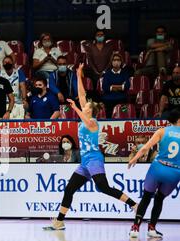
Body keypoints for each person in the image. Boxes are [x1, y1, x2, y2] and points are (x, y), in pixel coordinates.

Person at [43, 63, 138, 231]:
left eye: (85, 106)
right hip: (85, 162)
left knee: (103, 187)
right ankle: (59, 221)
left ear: (90, 111)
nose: (82, 105)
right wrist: (79, 76)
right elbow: (81, 94)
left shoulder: (93, 122)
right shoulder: (85, 116)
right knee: (69, 189)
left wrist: (74, 109)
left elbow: (85, 119)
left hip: (94, 158)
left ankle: (133, 205)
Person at [128, 109, 180, 238]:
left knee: (146, 197)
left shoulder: (162, 131)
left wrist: (135, 158)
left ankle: (135, 228)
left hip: (158, 168)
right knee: (159, 198)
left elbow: (146, 147)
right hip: (174, 172)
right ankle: (152, 228)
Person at [101, 53, 130, 118]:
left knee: (124, 112)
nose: (116, 61)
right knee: (108, 114)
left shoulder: (125, 73)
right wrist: (120, 87)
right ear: (111, 62)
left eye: (118, 60)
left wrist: (112, 87)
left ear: (121, 62)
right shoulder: (107, 74)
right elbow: (105, 87)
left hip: (122, 98)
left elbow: (127, 86)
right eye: (114, 60)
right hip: (108, 99)